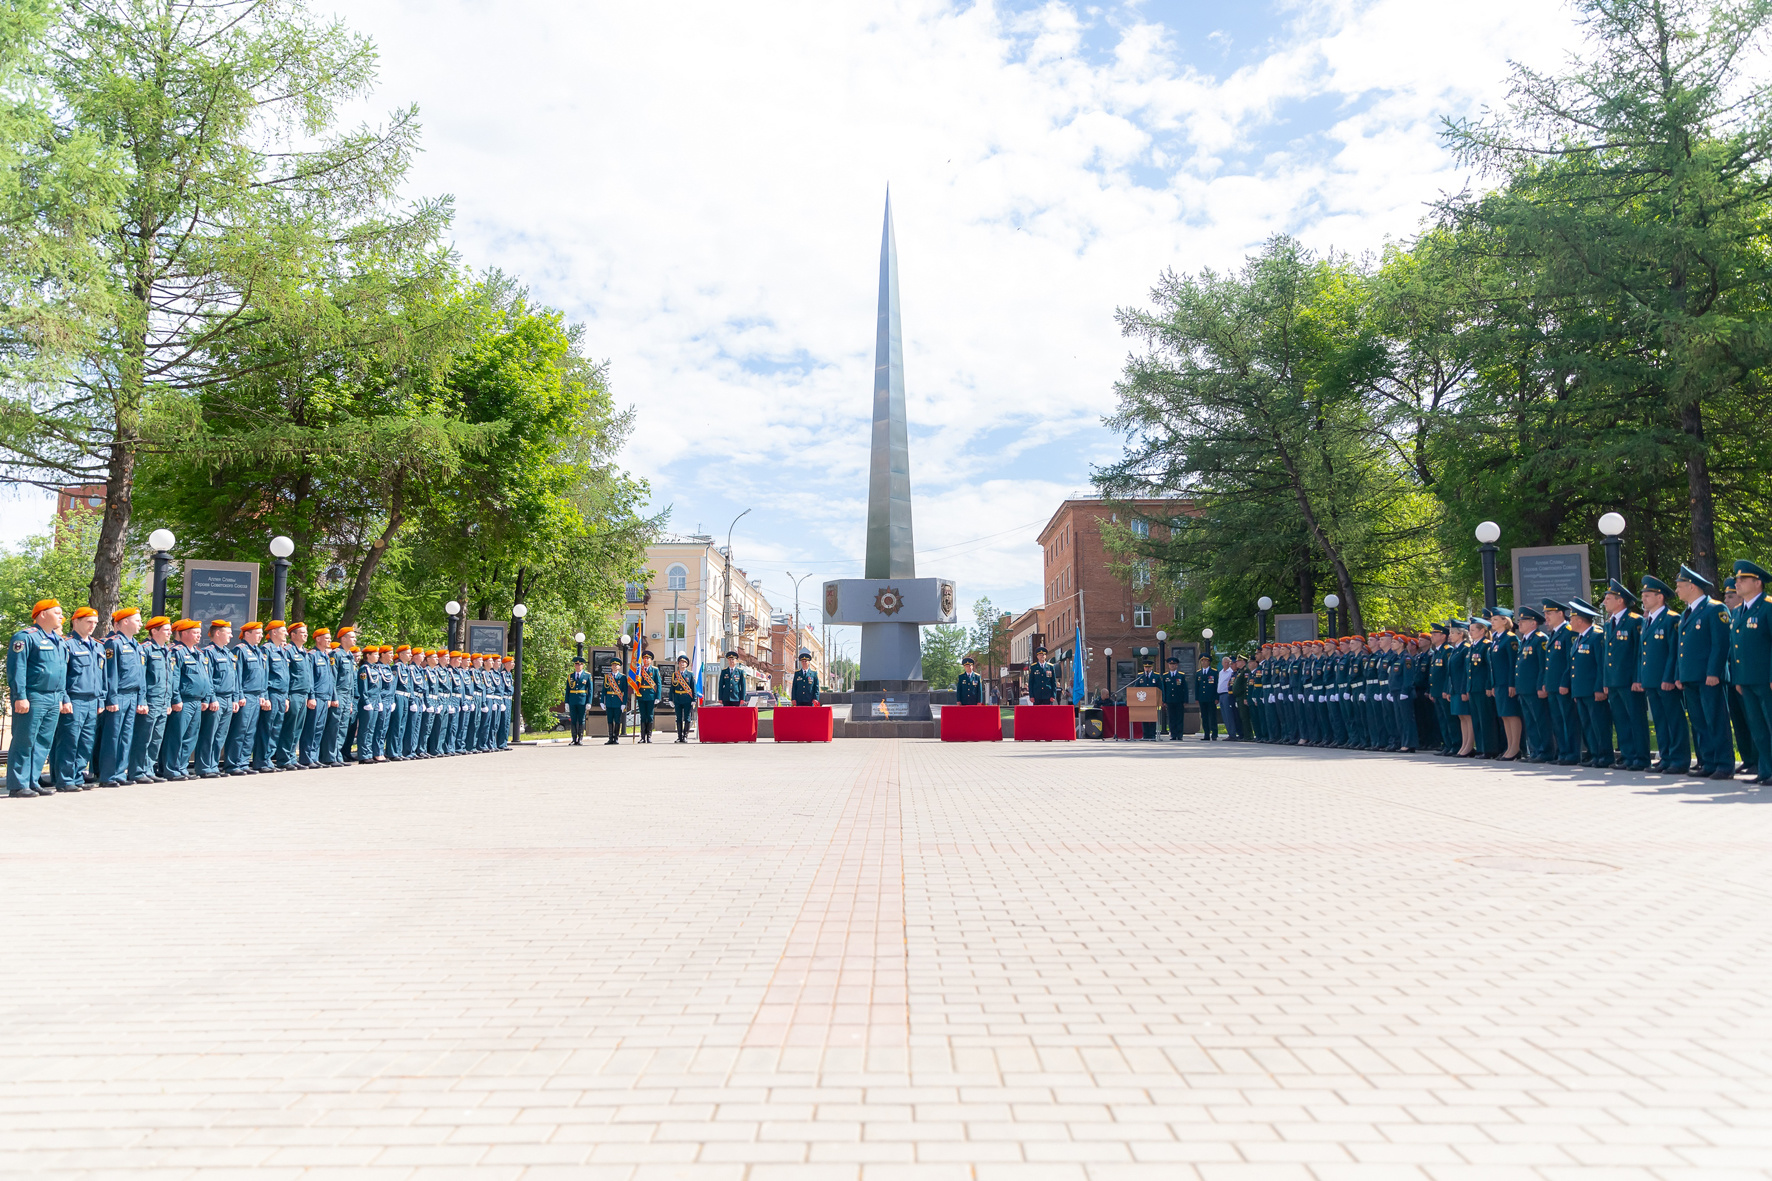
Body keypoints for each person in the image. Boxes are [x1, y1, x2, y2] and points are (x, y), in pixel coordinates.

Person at [1673, 566, 1732, 780]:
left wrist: (1714, 671)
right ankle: (1708, 762)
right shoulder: (1686, 613)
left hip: (1709, 677)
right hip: (1690, 677)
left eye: (1679, 586)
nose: (1677, 590)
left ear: (1692, 586)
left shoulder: (1715, 609)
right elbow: (1682, 648)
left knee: (1715, 720)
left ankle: (1724, 764)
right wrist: (1680, 674)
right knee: (1699, 722)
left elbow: (1720, 644)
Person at [7, 599, 69, 797]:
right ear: (42, 614)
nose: (61, 616)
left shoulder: (58, 640)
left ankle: (32, 781)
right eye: (57, 612)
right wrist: (20, 696)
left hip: (53, 697)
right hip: (33, 696)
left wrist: (61, 696)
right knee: (24, 740)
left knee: (43, 742)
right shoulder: (25, 637)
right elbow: (17, 669)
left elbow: (61, 672)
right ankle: (18, 784)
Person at [47, 606, 103, 791]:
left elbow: (101, 676)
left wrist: (101, 700)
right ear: (75, 621)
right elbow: (61, 674)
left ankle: (78, 776)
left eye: (95, 623)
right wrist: (65, 698)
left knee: (86, 741)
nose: (92, 626)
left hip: (92, 699)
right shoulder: (67, 644)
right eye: (88, 622)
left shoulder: (97, 646)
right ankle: (64, 779)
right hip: (74, 699)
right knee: (69, 740)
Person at [1637, 575, 1689, 774]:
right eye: (1643, 595)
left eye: (1648, 595)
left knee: (1674, 720)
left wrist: (1669, 677)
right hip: (1651, 679)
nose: (1644, 599)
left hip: (1665, 680)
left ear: (1660, 598)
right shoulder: (1648, 621)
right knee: (1660, 721)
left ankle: (1679, 759)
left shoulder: (1671, 619)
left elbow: (1673, 653)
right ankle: (1666, 757)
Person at [1729, 559, 1772, 786]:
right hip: (1746, 679)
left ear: (1758, 583)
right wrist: (1737, 678)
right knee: (1758, 728)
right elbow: (1736, 648)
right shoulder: (1737, 612)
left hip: (1765, 679)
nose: (1738, 583)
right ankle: (1765, 770)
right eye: (1737, 579)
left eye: (1742, 579)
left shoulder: (1768, 607)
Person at [96, 607, 148, 787]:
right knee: (113, 736)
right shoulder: (113, 643)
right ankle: (108, 775)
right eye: (138, 620)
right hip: (118, 695)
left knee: (126, 736)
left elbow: (141, 676)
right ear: (125, 621)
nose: (141, 624)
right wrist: (111, 698)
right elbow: (110, 674)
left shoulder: (137, 645)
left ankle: (119, 773)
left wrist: (142, 698)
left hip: (133, 696)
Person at [1601, 579, 1649, 771]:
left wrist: (1638, 678)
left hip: (1630, 681)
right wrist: (1606, 680)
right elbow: (1607, 655)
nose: (1605, 602)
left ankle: (1641, 757)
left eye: (1608, 598)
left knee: (1636, 719)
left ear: (1620, 600)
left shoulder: (1635, 621)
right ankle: (1628, 756)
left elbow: (1639, 652)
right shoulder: (1608, 624)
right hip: (1613, 681)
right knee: (1621, 720)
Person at [163, 619, 213, 780]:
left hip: (197, 701)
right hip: (184, 700)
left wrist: (206, 698)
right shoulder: (177, 652)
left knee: (190, 737)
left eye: (199, 632)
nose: (199, 635)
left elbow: (205, 678)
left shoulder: (198, 653)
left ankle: (182, 768)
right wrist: (176, 699)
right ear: (184, 633)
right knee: (176, 736)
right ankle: (171, 769)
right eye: (195, 632)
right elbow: (174, 678)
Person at [129, 615, 174, 784]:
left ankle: (148, 768)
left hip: (163, 701)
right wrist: (142, 700)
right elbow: (141, 678)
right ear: (154, 631)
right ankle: (137, 770)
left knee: (156, 739)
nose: (170, 632)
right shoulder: (145, 649)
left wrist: (168, 701)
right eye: (166, 629)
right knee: (144, 737)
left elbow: (169, 679)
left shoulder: (167, 650)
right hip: (151, 700)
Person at [1568, 597, 1612, 768]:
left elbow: (1601, 664)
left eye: (1571, 618)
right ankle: (1594, 754)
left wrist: (1600, 687)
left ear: (1580, 620)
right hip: (1580, 690)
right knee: (1587, 724)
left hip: (1594, 690)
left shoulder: (1596, 636)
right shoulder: (1578, 638)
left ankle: (1605, 755)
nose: (1569, 621)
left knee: (1599, 724)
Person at [1723, 577, 1758, 776]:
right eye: (1725, 596)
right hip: (1734, 676)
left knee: (1752, 719)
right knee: (1738, 720)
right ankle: (1747, 758)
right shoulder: (1735, 615)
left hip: (1750, 675)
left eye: (1731, 596)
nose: (1727, 600)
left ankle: (1758, 759)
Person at [197, 620, 239, 779]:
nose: (231, 635)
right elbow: (208, 678)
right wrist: (212, 698)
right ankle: (204, 766)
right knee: (210, 733)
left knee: (221, 735)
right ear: (218, 633)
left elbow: (234, 678)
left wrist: (235, 698)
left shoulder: (228, 653)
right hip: (217, 698)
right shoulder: (209, 652)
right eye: (228, 632)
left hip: (228, 699)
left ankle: (213, 765)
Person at [227, 621, 268, 775]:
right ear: (247, 634)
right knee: (240, 731)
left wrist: (263, 694)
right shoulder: (240, 650)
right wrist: (239, 695)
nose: (261, 636)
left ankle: (243, 762)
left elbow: (263, 676)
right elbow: (237, 675)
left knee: (250, 731)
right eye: (258, 633)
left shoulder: (258, 651)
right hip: (246, 695)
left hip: (256, 696)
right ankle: (232, 764)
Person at [1542, 601, 1580, 766]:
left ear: (1560, 614)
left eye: (1549, 614)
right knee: (1557, 721)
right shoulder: (1554, 633)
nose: (1546, 618)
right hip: (1553, 686)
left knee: (1568, 720)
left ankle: (1572, 753)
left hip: (1563, 686)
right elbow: (1549, 662)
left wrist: (1565, 682)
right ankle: (1562, 752)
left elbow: (1569, 661)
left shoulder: (1568, 632)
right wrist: (1546, 682)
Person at [1514, 607, 1552, 763]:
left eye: (1523, 621)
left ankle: (1546, 751)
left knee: (1540, 720)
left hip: (1534, 688)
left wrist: (1541, 685)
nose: (1520, 624)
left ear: (1533, 623)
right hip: (1524, 688)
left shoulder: (1540, 639)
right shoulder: (1526, 639)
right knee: (1530, 721)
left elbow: (1543, 665)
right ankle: (1535, 751)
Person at [255, 621, 289, 771]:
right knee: (267, 728)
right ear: (274, 632)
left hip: (281, 695)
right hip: (272, 693)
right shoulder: (266, 649)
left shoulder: (281, 650)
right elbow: (265, 674)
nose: (286, 633)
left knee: (276, 728)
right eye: (283, 630)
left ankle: (268, 759)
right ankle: (261, 761)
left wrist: (286, 696)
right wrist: (265, 696)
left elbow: (285, 676)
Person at [281, 623, 315, 768]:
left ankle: (292, 758)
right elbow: (286, 676)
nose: (305, 635)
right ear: (293, 635)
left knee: (298, 729)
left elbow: (309, 676)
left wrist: (310, 695)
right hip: (293, 693)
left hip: (303, 694)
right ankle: (284, 759)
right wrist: (287, 696)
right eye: (302, 632)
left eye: (306, 632)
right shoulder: (288, 651)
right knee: (290, 727)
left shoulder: (305, 653)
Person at [303, 627, 336, 768]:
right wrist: (312, 696)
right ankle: (307, 758)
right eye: (326, 638)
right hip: (316, 696)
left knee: (319, 728)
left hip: (324, 697)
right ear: (318, 639)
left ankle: (314, 756)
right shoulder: (312, 655)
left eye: (329, 638)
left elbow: (329, 679)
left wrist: (329, 697)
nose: (329, 640)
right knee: (311, 728)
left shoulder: (325, 656)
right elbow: (310, 678)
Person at [1129, 657, 1159, 740]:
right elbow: (1136, 688)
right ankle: (1146, 734)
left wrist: (1161, 699)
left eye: (1149, 667)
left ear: (1152, 667)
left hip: (1153, 700)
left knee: (1152, 717)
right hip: (1143, 700)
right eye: (1146, 667)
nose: (1147, 669)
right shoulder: (1140, 676)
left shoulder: (1156, 676)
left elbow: (1160, 688)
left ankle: (1152, 734)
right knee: (1144, 717)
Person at [601, 656, 629, 744]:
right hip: (609, 701)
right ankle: (610, 738)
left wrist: (624, 703)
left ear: (619, 667)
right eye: (613, 665)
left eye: (616, 665)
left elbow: (625, 691)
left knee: (617, 720)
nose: (614, 666)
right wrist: (602, 701)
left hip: (618, 702)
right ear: (611, 666)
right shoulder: (607, 677)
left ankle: (616, 738)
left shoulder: (623, 677)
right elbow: (603, 690)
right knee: (609, 720)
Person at [634, 650, 660, 743]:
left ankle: (649, 736)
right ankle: (642, 737)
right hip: (641, 695)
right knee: (643, 716)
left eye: (648, 658)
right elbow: (636, 681)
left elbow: (658, 684)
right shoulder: (639, 670)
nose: (646, 660)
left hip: (651, 696)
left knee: (650, 716)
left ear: (651, 660)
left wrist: (658, 697)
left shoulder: (655, 670)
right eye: (644, 658)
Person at [565, 657, 593, 744]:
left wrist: (589, 702)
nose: (578, 666)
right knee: (573, 719)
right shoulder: (570, 676)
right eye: (576, 664)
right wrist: (566, 702)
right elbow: (568, 690)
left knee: (581, 719)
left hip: (582, 700)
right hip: (572, 701)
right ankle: (574, 739)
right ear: (574, 666)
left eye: (580, 664)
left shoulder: (587, 675)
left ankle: (580, 738)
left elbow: (590, 690)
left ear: (582, 665)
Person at [669, 655, 697, 742]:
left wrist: (694, 699)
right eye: (681, 662)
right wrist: (670, 699)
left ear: (686, 664)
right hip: (678, 699)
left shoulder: (690, 674)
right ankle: (679, 736)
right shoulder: (675, 675)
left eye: (684, 663)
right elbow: (672, 689)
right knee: (679, 718)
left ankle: (685, 736)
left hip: (687, 699)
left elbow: (693, 688)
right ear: (678, 664)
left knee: (687, 718)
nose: (682, 664)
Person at [1160, 655, 1187, 740]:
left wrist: (1185, 700)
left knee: (1179, 717)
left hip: (1179, 700)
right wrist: (1164, 700)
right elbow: (1163, 689)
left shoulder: (1181, 676)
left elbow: (1185, 688)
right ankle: (1173, 734)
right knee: (1171, 718)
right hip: (1169, 700)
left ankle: (1179, 734)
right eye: (1170, 664)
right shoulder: (1165, 676)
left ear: (1176, 665)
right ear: (1168, 665)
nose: (1172, 666)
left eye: (1174, 664)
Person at [1195, 655, 1218, 740]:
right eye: (1202, 661)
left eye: (1205, 661)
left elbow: (1216, 686)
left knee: (1212, 716)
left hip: (1211, 698)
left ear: (1209, 662)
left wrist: (1216, 697)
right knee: (1204, 716)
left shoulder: (1214, 672)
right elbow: (1197, 686)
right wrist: (1197, 698)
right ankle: (1206, 734)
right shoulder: (1199, 673)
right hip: (1202, 698)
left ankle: (1214, 734)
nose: (1203, 662)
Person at [1215, 656, 1237, 740]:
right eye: (1225, 662)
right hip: (1220, 694)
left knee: (1229, 715)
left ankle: (1232, 734)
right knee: (1224, 715)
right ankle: (1229, 733)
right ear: (1222, 663)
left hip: (1227, 694)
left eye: (1228, 662)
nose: (1226, 664)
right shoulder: (1221, 672)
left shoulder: (1230, 672)